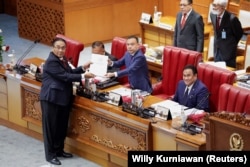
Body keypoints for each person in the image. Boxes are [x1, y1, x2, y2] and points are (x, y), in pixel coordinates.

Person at [40, 37, 95, 165]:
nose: (60, 50)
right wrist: (83, 76)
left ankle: (59, 150)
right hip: (51, 99)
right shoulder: (51, 62)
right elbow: (65, 76)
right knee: (50, 129)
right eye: (58, 47)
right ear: (52, 48)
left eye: (63, 48)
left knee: (61, 127)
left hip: (63, 98)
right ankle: (50, 155)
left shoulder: (63, 59)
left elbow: (70, 72)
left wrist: (82, 68)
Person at [210, 0, 243, 68]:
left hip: (228, 53)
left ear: (223, 7)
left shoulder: (232, 19)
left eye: (216, 6)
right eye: (213, 5)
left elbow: (239, 33)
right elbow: (217, 32)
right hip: (217, 50)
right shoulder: (212, 14)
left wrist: (230, 44)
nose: (213, 7)